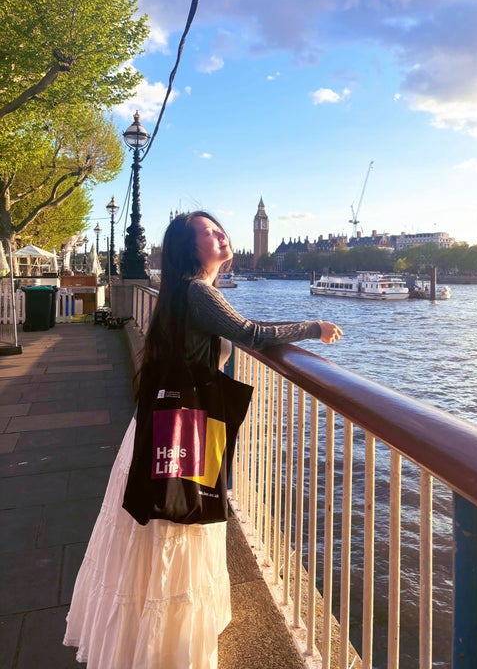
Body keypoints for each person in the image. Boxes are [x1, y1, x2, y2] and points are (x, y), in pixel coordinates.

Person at [64, 211, 343, 668]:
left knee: (160, 529)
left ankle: (144, 635)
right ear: (189, 249)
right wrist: (314, 327)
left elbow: (238, 327)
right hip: (185, 426)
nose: (221, 235)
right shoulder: (198, 291)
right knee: (179, 522)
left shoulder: (185, 291)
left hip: (165, 422)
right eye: (209, 232)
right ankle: (165, 647)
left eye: (220, 229)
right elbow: (251, 333)